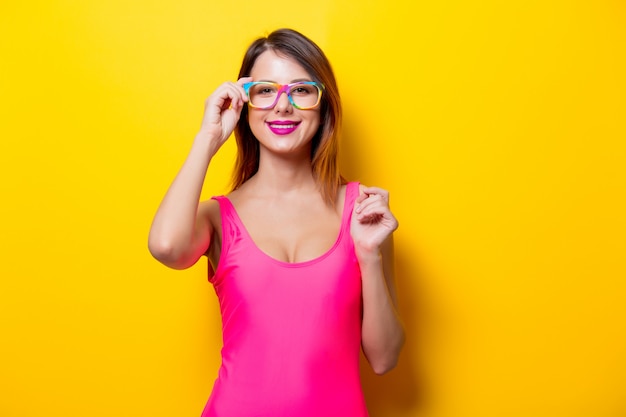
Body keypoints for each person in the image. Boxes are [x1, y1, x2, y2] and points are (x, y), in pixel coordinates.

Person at [148, 28, 405, 417]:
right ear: (245, 103)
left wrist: (368, 254)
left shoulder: (363, 213)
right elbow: (167, 247)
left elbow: (384, 359)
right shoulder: (218, 216)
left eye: (301, 90)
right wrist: (208, 137)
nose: (282, 106)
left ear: (323, 106)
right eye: (265, 90)